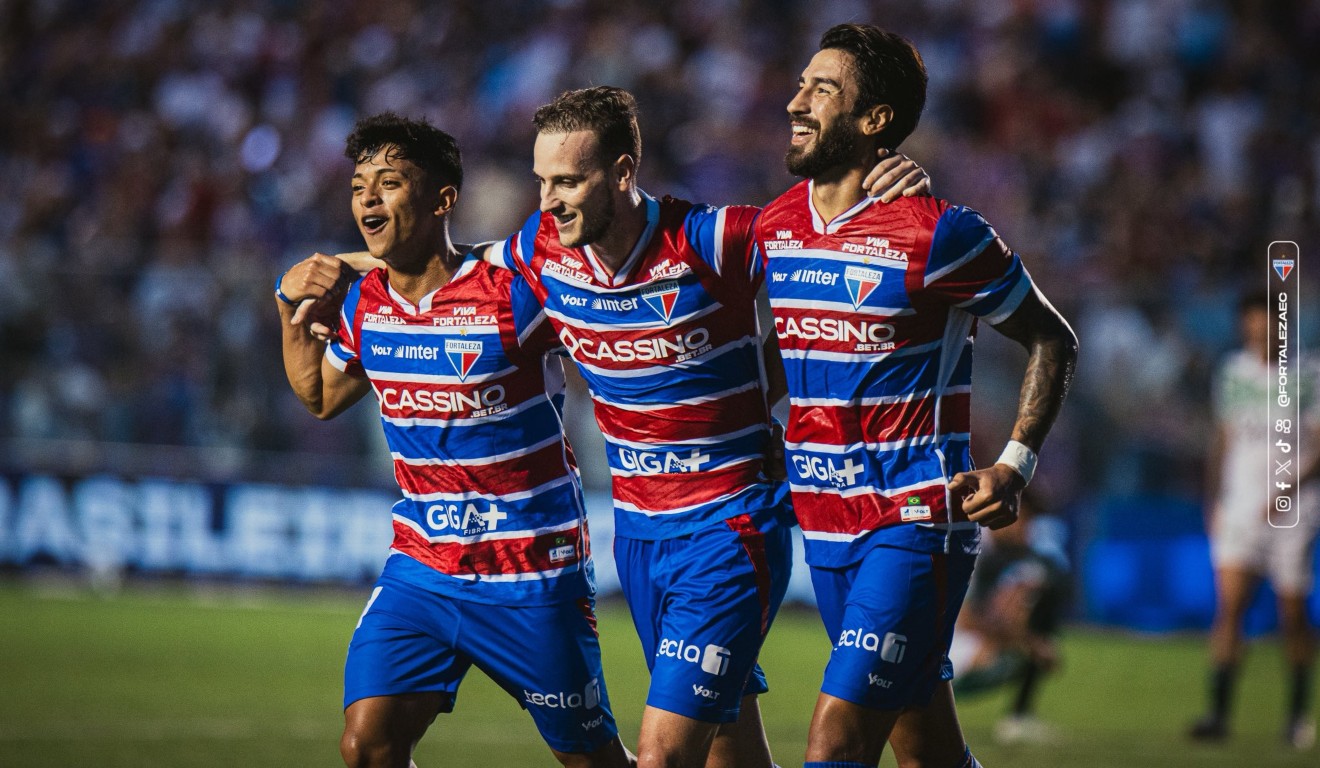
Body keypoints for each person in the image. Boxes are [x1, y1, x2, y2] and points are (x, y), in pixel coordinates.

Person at [486, 86, 931, 768]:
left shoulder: (711, 240)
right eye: (542, 181)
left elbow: (827, 247)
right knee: (729, 749)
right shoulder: (540, 248)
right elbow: (450, 268)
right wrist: (347, 270)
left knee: (664, 755)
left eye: (569, 181)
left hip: (731, 530)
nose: (550, 199)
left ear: (625, 173)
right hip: (637, 537)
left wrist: (893, 189)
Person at [756, 23, 1079, 768]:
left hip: (917, 521)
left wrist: (1015, 464)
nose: (794, 102)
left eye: (821, 89)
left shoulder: (941, 233)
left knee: (836, 740)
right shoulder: (772, 227)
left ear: (874, 122)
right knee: (922, 739)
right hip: (825, 526)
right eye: (801, 83)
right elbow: (785, 359)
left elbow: (1052, 337)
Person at [275, 113, 633, 768]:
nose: (368, 200)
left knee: (593, 760)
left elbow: (606, 299)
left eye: (388, 183)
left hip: (531, 572)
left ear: (443, 199)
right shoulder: (364, 305)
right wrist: (287, 305)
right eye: (359, 187)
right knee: (368, 745)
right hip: (424, 568)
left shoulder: (515, 289)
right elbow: (321, 396)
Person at [1189, 293, 1319, 749]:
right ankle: (1218, 715)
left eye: (1266, 322)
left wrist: (1286, 491)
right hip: (1241, 505)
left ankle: (1298, 716)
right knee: (1229, 608)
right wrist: (1213, 499)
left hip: (1294, 511)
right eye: (1251, 322)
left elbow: (1318, 446)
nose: (1258, 331)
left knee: (1292, 613)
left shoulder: (1307, 375)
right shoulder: (1231, 372)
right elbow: (1222, 439)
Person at [948, 489, 1071, 745]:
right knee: (1017, 649)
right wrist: (1027, 641)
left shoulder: (1000, 551)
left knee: (1038, 615)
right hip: (934, 647)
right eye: (1023, 519)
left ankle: (1019, 718)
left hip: (948, 643)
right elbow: (964, 618)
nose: (1027, 530)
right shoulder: (970, 543)